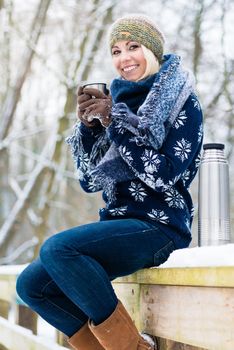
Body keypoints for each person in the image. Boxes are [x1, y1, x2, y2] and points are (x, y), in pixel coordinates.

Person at [16, 14, 203, 350]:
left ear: (153, 51)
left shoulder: (181, 102)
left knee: (59, 247)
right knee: (31, 285)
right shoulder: (115, 104)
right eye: (115, 51)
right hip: (120, 224)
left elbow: (164, 175)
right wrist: (90, 131)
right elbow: (89, 181)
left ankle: (133, 348)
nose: (124, 57)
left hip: (161, 227)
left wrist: (113, 122)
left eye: (133, 47)